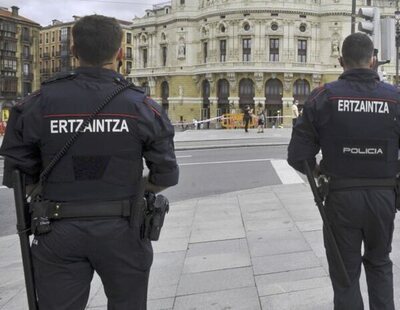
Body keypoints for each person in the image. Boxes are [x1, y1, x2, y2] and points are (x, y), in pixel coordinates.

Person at [0, 15, 179, 310]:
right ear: (120, 52)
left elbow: (17, 175)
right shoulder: (142, 106)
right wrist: (132, 189)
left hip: (56, 230)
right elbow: (167, 175)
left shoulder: (37, 102)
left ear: (74, 50)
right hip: (123, 229)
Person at [287, 32, 399, 310]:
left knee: (345, 274)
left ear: (340, 61)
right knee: (380, 263)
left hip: (340, 197)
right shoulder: (395, 98)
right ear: (373, 60)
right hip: (384, 196)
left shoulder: (323, 97)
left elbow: (297, 156)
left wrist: (319, 174)